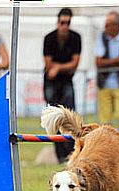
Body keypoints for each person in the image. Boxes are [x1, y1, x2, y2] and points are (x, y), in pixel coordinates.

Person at [43, 7, 81, 164]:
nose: (65, 26)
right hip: (51, 82)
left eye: (67, 22)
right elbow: (47, 64)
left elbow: (75, 63)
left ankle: (73, 153)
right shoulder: (49, 38)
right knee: (53, 119)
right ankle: (60, 156)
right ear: (57, 22)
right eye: (62, 22)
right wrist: (61, 67)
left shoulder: (76, 38)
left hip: (66, 81)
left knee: (71, 117)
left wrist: (58, 68)